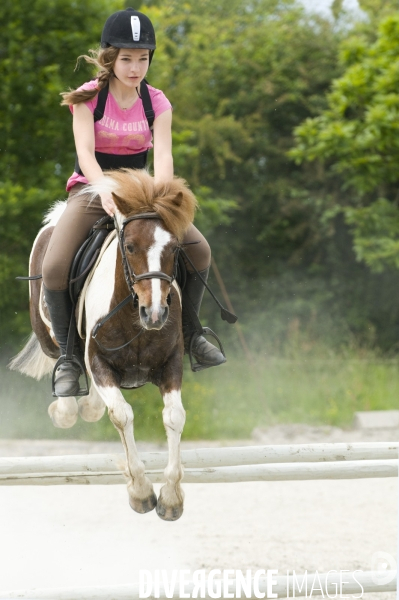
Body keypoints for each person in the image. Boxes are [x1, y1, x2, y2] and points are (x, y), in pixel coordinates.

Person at [41, 7, 225, 398]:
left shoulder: (157, 103)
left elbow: (164, 161)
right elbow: (86, 155)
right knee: (55, 266)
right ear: (110, 57)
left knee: (201, 250)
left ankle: (191, 335)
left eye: (143, 59)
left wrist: (160, 199)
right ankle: (69, 360)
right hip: (92, 190)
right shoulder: (89, 98)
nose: (135, 67)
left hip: (142, 194)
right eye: (127, 58)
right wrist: (103, 188)